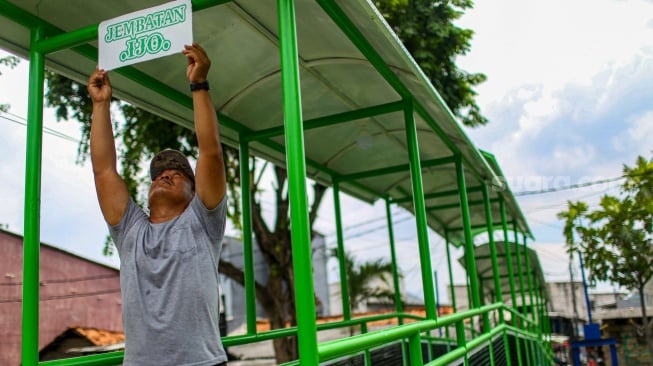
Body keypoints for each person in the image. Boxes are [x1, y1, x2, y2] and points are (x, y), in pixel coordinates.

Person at [88, 43, 228, 366]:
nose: (165, 174)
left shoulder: (202, 222)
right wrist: (99, 105)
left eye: (177, 173)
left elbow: (210, 153)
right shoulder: (130, 232)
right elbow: (104, 170)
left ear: (195, 192)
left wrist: (199, 84)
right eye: (158, 173)